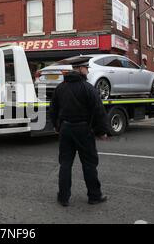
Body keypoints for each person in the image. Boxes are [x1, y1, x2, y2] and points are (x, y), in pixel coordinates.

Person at [49, 57, 109, 207]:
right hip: (83, 130)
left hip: (65, 129)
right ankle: (94, 196)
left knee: (65, 163)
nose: (88, 71)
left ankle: (63, 197)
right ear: (80, 69)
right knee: (89, 164)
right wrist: (101, 131)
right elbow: (98, 110)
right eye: (86, 68)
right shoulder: (88, 88)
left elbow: (53, 109)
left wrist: (58, 127)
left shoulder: (60, 87)